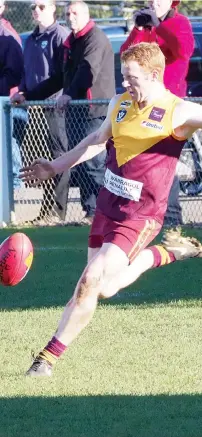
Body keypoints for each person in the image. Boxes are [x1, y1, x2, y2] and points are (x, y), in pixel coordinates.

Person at [20, 42, 202, 377]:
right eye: (123, 77)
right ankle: (166, 253)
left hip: (141, 216)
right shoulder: (120, 104)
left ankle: (46, 358)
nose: (125, 85)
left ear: (154, 74)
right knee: (103, 287)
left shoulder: (179, 111)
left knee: (89, 281)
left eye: (132, 78)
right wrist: (56, 166)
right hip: (107, 208)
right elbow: (96, 142)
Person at [19, 1, 116, 224]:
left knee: (94, 164)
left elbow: (87, 72)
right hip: (76, 113)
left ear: (86, 14)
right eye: (68, 13)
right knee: (80, 164)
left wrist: (69, 94)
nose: (71, 17)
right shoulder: (70, 42)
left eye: (75, 13)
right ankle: (90, 211)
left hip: (94, 112)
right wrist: (29, 95)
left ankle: (100, 213)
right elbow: (58, 78)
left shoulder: (95, 38)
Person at [120, 0, 194, 226]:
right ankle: (146, 215)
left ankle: (171, 218)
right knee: (143, 163)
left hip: (169, 103)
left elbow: (184, 51)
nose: (153, 3)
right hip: (143, 103)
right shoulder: (149, 28)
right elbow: (126, 55)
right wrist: (139, 29)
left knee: (163, 163)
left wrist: (159, 25)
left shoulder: (179, 22)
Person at [11, 0, 70, 224]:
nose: (36, 11)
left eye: (42, 6)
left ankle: (57, 210)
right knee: (40, 159)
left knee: (59, 156)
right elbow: (27, 73)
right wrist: (23, 92)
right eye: (33, 7)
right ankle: (46, 210)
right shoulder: (32, 38)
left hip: (56, 106)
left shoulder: (60, 35)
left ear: (53, 8)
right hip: (34, 108)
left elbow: (60, 76)